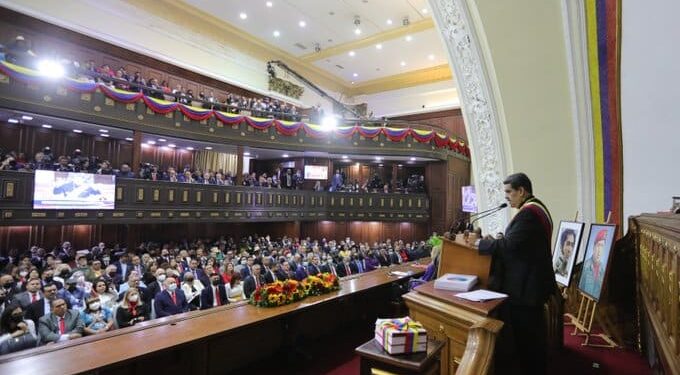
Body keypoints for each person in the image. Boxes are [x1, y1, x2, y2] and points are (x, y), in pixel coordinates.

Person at [477, 173, 556, 374]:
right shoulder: (537, 209)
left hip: (526, 288)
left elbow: (510, 246)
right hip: (530, 283)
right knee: (531, 338)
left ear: (521, 191)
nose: (506, 197)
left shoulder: (529, 213)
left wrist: (480, 243)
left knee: (529, 341)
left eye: (509, 192)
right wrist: (500, 238)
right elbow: (521, 245)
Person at [579, 229, 609, 299]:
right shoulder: (585, 266)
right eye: (598, 245)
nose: (599, 250)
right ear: (594, 247)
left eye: (602, 246)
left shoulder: (603, 269)